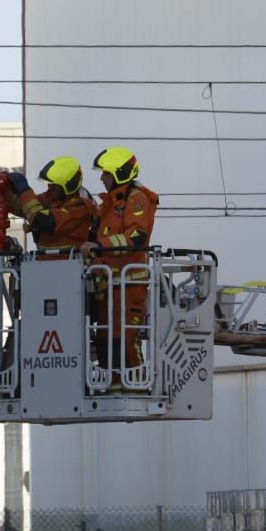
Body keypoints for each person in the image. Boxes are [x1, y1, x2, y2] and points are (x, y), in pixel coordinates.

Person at [79, 146, 159, 381]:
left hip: (128, 285)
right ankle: (114, 385)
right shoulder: (112, 202)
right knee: (104, 341)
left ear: (120, 173)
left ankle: (135, 384)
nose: (102, 178)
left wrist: (99, 245)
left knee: (124, 340)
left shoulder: (137, 199)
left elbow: (136, 237)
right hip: (108, 285)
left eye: (106, 174)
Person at [13, 156, 97, 258]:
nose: (50, 187)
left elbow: (42, 221)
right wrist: (4, 193)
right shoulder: (53, 197)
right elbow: (23, 207)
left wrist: (24, 189)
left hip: (69, 267)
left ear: (69, 185)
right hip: (44, 265)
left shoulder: (81, 207)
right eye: (49, 183)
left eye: (55, 185)